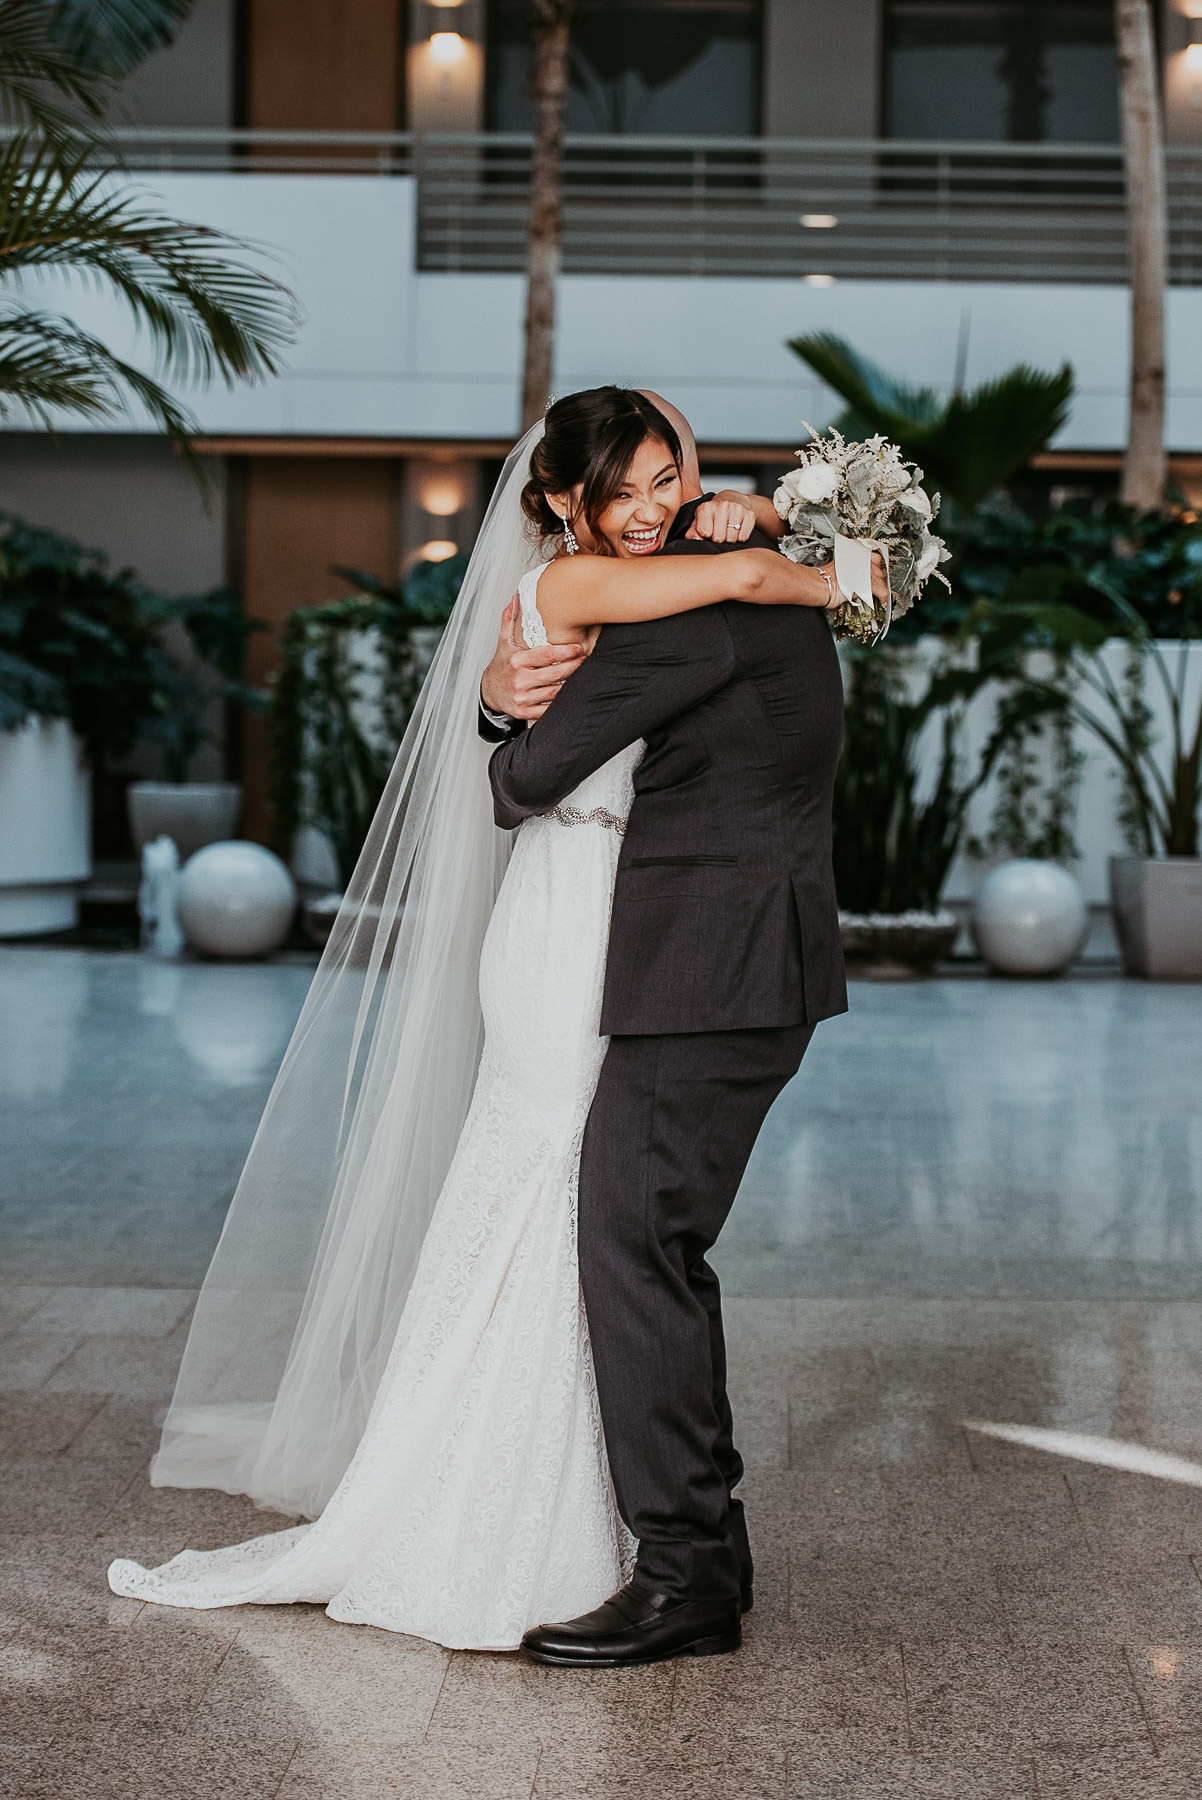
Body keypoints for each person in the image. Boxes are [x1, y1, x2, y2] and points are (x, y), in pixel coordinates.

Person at [105, 388, 860, 1652]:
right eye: (620, 489)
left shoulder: (704, 586)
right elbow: (524, 774)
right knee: (600, 1231)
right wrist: (772, 552)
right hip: (606, 949)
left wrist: (766, 540)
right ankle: (678, 1555)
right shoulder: (655, 589)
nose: (648, 508)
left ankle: (676, 1559)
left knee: (612, 1238)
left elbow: (526, 762)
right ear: (563, 502)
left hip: (672, 960)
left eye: (664, 477)